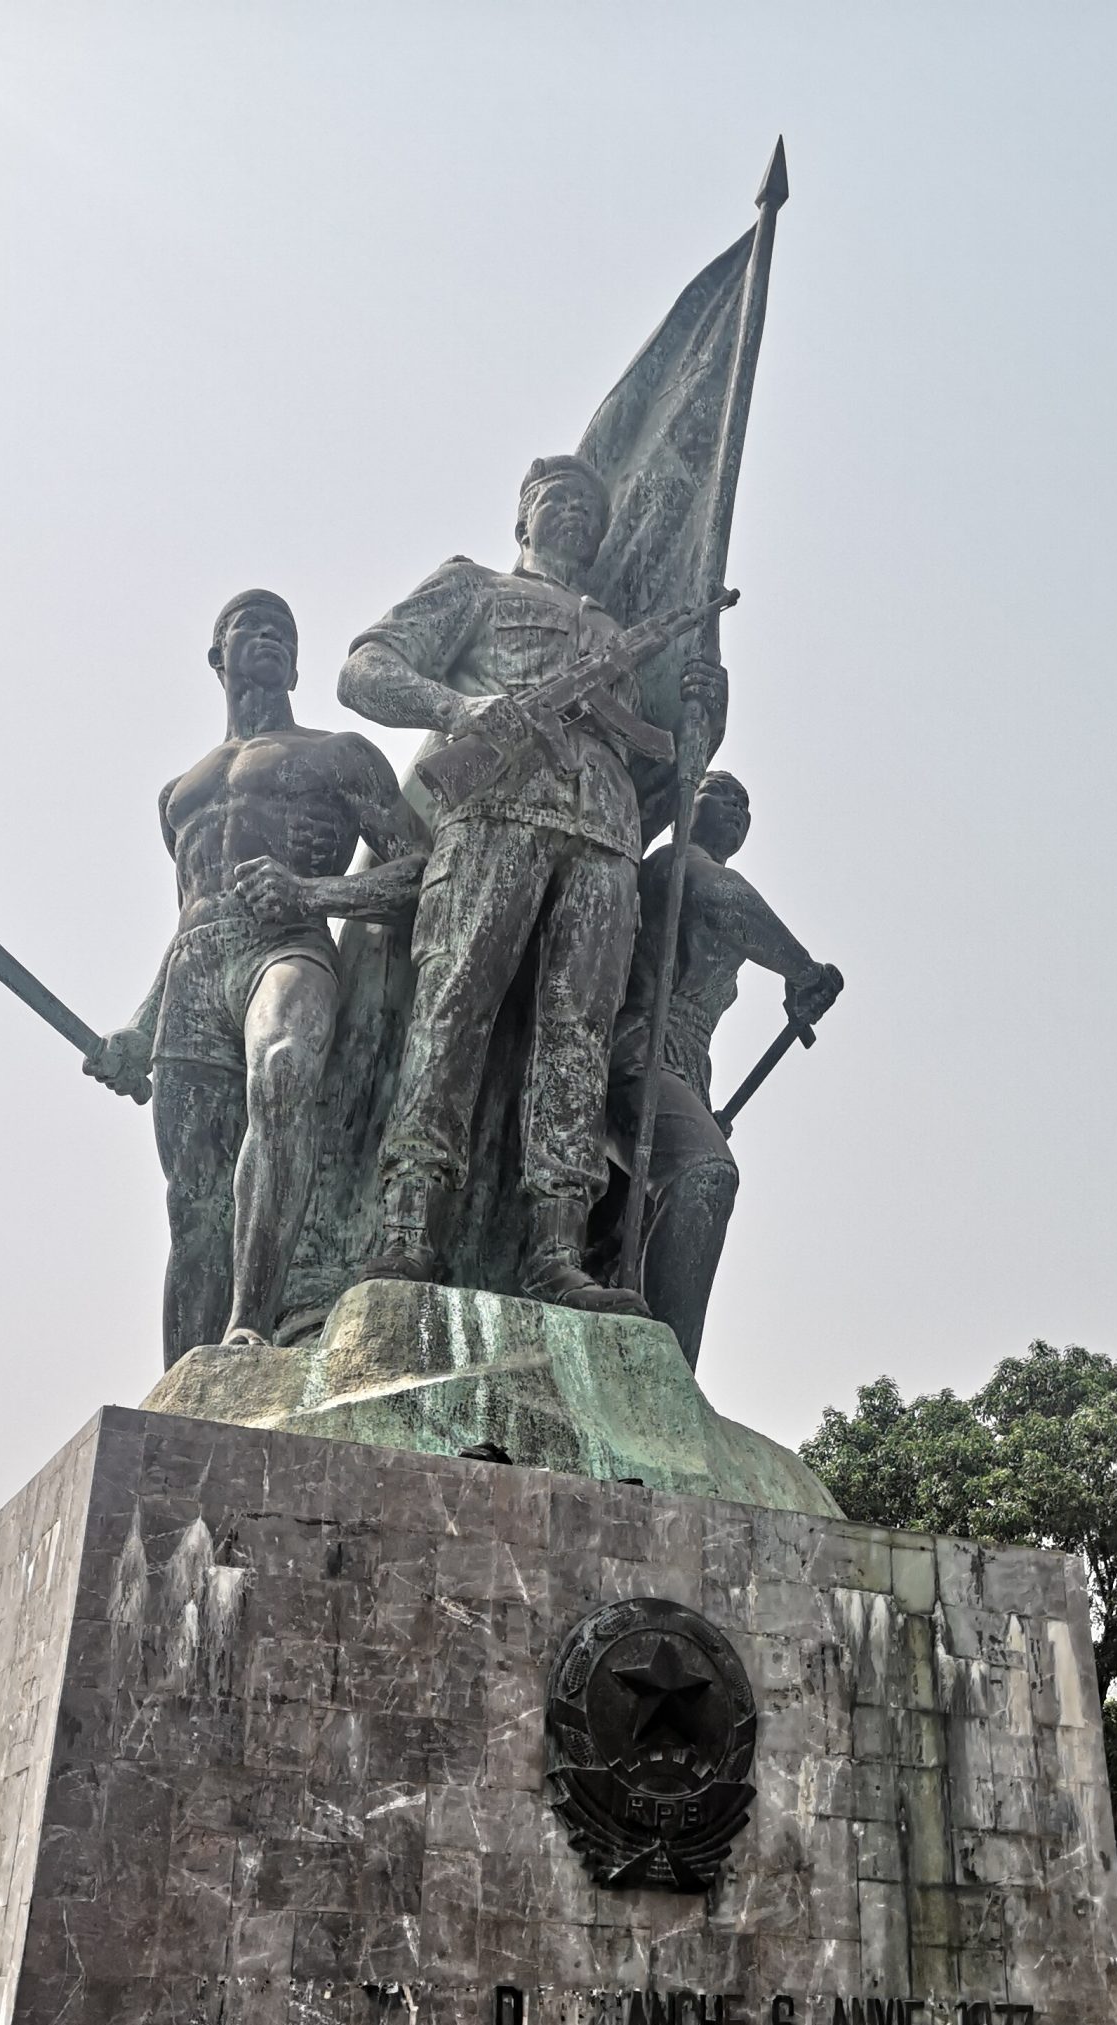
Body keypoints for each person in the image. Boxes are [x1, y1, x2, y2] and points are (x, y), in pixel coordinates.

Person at [331, 454, 727, 1314]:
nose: (578, 513)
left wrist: (702, 711)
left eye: (592, 505)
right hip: (495, 812)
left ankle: (556, 1249)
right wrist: (455, 709)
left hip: (604, 836)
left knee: (575, 1038)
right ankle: (408, 1228)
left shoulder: (615, 632)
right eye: (558, 498)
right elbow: (363, 667)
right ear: (522, 518)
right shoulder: (475, 587)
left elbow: (665, 772)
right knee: (454, 1010)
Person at [86, 590, 423, 1364]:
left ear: (298, 663)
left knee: (283, 1070)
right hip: (195, 976)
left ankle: (251, 1324)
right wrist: (141, 1025)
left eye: (284, 632)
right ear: (218, 657)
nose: (269, 637)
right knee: (193, 1204)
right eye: (251, 626)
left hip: (290, 945)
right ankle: (185, 1386)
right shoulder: (179, 795)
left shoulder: (339, 753)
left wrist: (314, 894)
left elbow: (423, 877)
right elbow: (187, 918)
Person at [605, 771, 841, 1368]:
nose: (738, 809)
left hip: (685, 1066)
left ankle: (636, 1364)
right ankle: (668, 1376)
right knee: (705, 1173)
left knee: (618, 1242)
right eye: (722, 796)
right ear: (690, 802)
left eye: (747, 805)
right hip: (636, 1049)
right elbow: (725, 900)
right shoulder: (673, 868)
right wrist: (802, 970)